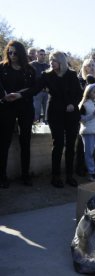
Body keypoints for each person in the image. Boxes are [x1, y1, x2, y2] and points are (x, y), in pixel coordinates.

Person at [35, 51, 82, 187]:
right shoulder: (47, 75)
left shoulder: (71, 75)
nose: (51, 62)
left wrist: (73, 104)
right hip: (55, 114)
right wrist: (20, 94)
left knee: (70, 145)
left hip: (71, 114)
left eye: (54, 60)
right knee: (58, 144)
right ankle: (55, 176)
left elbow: (79, 94)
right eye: (50, 60)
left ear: (61, 61)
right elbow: (35, 89)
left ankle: (69, 175)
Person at [0, 41, 36, 188]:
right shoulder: (2, 67)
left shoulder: (29, 69)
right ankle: (2, 176)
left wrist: (21, 95)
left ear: (21, 53)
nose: (12, 55)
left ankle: (25, 175)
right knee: (4, 142)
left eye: (15, 53)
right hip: (6, 107)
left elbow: (33, 88)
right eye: (10, 52)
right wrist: (4, 96)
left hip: (25, 107)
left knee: (25, 141)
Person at [31, 49, 50, 122]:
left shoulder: (48, 66)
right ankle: (34, 131)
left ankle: (47, 131)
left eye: (44, 54)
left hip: (47, 92)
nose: (43, 56)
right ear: (36, 55)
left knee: (47, 113)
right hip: (36, 92)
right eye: (41, 54)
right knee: (36, 112)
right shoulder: (32, 65)